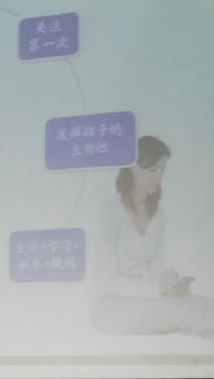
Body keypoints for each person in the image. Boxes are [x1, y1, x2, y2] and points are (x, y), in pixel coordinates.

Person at [90, 136, 214, 338]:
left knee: (203, 308)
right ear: (133, 167)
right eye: (153, 170)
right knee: (190, 311)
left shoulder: (157, 215)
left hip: (145, 299)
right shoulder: (111, 212)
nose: (159, 177)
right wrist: (157, 289)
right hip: (110, 306)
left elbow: (156, 271)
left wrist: (170, 280)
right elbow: (107, 282)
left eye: (162, 171)